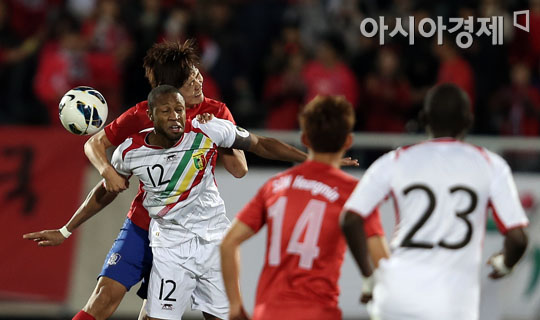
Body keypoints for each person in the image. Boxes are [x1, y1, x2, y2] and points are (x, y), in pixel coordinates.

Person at [23, 39, 360, 320]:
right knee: (106, 296)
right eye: (190, 81)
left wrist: (229, 143)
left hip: (203, 233)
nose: (199, 83)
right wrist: (105, 174)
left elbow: (243, 165)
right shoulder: (141, 117)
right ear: (167, 94)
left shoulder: (214, 116)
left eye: (198, 75)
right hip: (149, 224)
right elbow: (96, 145)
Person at [108, 84, 319, 319]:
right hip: (171, 247)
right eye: (166, 111)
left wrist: (312, 159)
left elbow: (261, 144)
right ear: (150, 114)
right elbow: (107, 189)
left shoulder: (207, 128)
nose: (174, 116)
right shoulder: (129, 152)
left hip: (214, 241)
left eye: (179, 109)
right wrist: (68, 229)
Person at [341, 83, 529, 320]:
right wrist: (504, 264)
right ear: (469, 121)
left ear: (423, 118)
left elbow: (350, 219)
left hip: (395, 299)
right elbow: (518, 238)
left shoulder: (394, 160)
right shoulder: (491, 165)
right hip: (452, 305)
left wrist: (369, 277)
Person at [220, 95, 390, 320]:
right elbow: (382, 261)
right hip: (318, 312)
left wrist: (235, 305)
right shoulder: (353, 191)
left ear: (304, 139)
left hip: (268, 312)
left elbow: (228, 243)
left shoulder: (276, 185)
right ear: (348, 141)